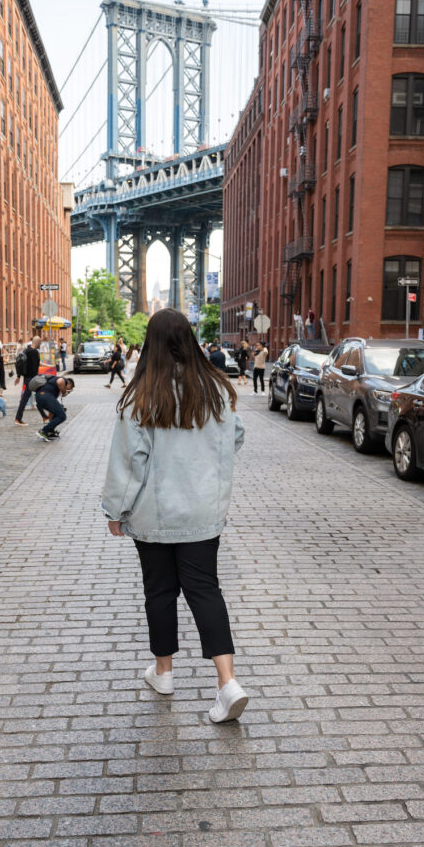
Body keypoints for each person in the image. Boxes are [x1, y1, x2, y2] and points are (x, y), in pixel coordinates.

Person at [101, 308, 248, 723]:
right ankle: (227, 682)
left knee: (160, 593)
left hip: (155, 515)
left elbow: (130, 462)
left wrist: (115, 510)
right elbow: (235, 436)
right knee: (206, 591)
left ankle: (163, 672)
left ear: (151, 344)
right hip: (203, 512)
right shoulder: (215, 390)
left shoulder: (142, 395)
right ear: (189, 341)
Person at [35, 374, 75, 441]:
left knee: (58, 412)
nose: (70, 390)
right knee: (62, 416)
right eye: (71, 388)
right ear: (69, 383)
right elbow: (60, 381)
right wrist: (64, 392)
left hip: (40, 397)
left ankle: (50, 432)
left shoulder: (53, 388)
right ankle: (43, 431)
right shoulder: (63, 380)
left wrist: (51, 423)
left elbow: (51, 412)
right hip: (45, 396)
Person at [14, 335, 42, 426]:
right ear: (38, 343)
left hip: (26, 378)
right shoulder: (35, 352)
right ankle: (18, 419)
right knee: (31, 398)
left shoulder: (25, 351)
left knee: (34, 397)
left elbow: (19, 363)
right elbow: (36, 366)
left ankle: (45, 417)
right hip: (32, 379)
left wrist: (18, 376)